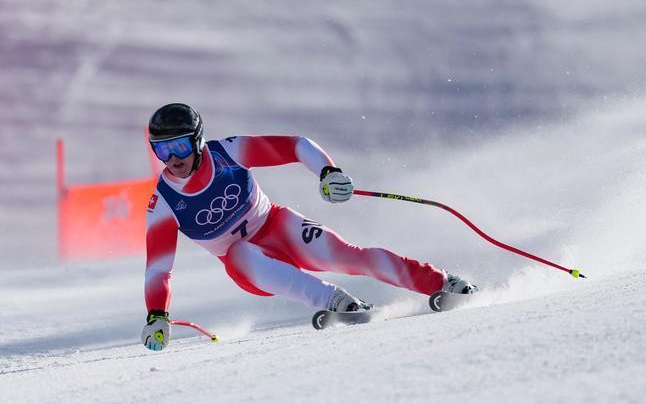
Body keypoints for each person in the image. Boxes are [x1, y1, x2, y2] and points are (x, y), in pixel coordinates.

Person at [141, 103, 476, 351]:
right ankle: (335, 301)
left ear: (198, 141)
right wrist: (157, 315)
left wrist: (329, 173)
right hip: (250, 266)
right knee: (239, 253)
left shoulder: (228, 152)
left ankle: (443, 282)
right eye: (162, 150)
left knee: (348, 256)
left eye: (180, 146)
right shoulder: (164, 203)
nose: (172, 158)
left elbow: (297, 145)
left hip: (277, 225)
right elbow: (158, 271)